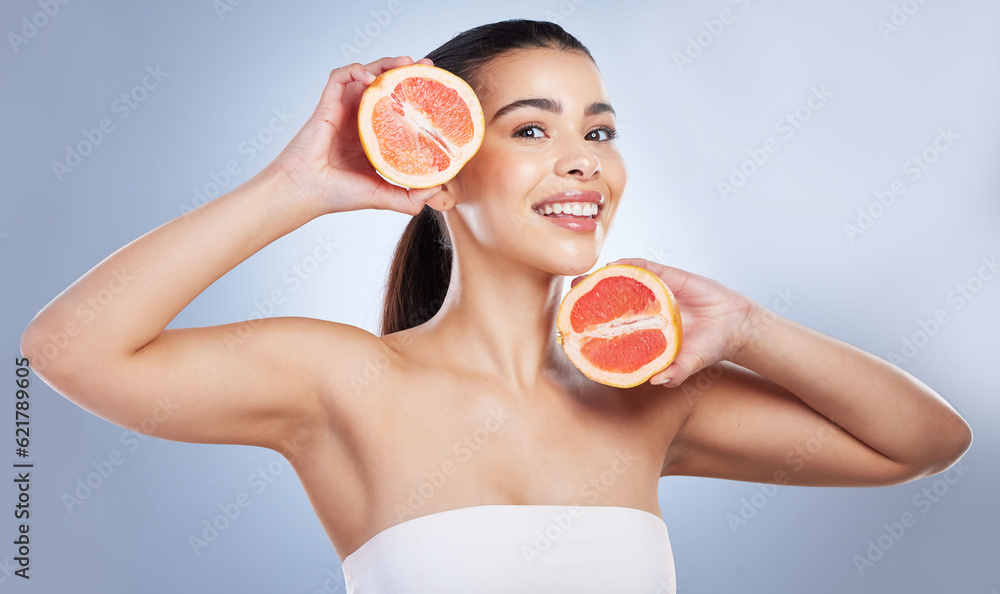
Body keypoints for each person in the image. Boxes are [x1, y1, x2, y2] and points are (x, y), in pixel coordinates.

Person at [21, 19, 971, 594]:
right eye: (532, 129)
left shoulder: (654, 396)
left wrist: (752, 329)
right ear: (437, 166)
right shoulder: (342, 383)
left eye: (600, 129)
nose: (583, 158)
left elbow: (924, 443)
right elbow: (69, 347)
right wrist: (296, 184)